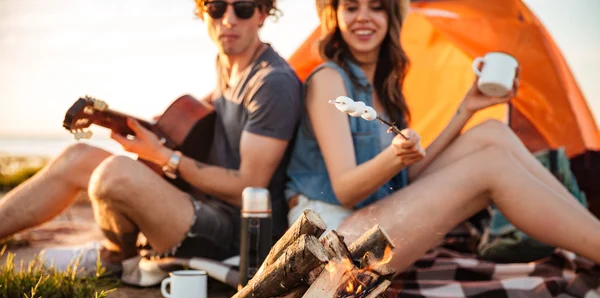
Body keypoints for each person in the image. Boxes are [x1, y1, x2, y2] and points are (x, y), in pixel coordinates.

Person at [286, 0, 600, 273]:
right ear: (335, 16)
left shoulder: (386, 88)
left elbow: (409, 179)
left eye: (377, 7)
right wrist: (394, 156)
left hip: (374, 216)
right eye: (351, 7)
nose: (363, 17)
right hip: (331, 239)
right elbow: (345, 190)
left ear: (391, 15)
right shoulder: (328, 79)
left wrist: (466, 109)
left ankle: (590, 235)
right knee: (491, 166)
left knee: (493, 133)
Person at [0, 0, 302, 273]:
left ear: (262, 13)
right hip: (195, 200)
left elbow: (248, 189)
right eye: (216, 7)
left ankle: (117, 257)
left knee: (114, 173)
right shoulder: (227, 65)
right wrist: (154, 137)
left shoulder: (272, 82)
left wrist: (165, 157)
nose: (229, 19)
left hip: (236, 233)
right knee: (75, 158)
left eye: (244, 8)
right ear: (203, 12)